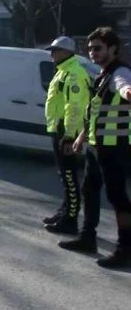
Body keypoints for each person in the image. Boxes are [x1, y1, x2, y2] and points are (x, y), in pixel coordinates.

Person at [65, 27, 131, 268]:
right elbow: (96, 113)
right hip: (97, 146)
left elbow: (125, 87)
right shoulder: (102, 75)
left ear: (112, 48)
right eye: (90, 48)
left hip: (115, 148)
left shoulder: (119, 72)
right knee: (89, 190)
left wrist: (128, 92)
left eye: (97, 48)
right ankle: (87, 238)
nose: (92, 52)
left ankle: (125, 249)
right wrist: (82, 138)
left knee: (118, 197)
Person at [41, 36, 91, 234]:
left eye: (55, 51)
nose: (52, 54)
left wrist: (69, 135)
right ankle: (64, 212)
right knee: (64, 175)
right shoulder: (63, 71)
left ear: (67, 52)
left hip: (67, 130)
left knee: (69, 176)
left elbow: (75, 107)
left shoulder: (74, 74)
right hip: (59, 128)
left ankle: (70, 220)